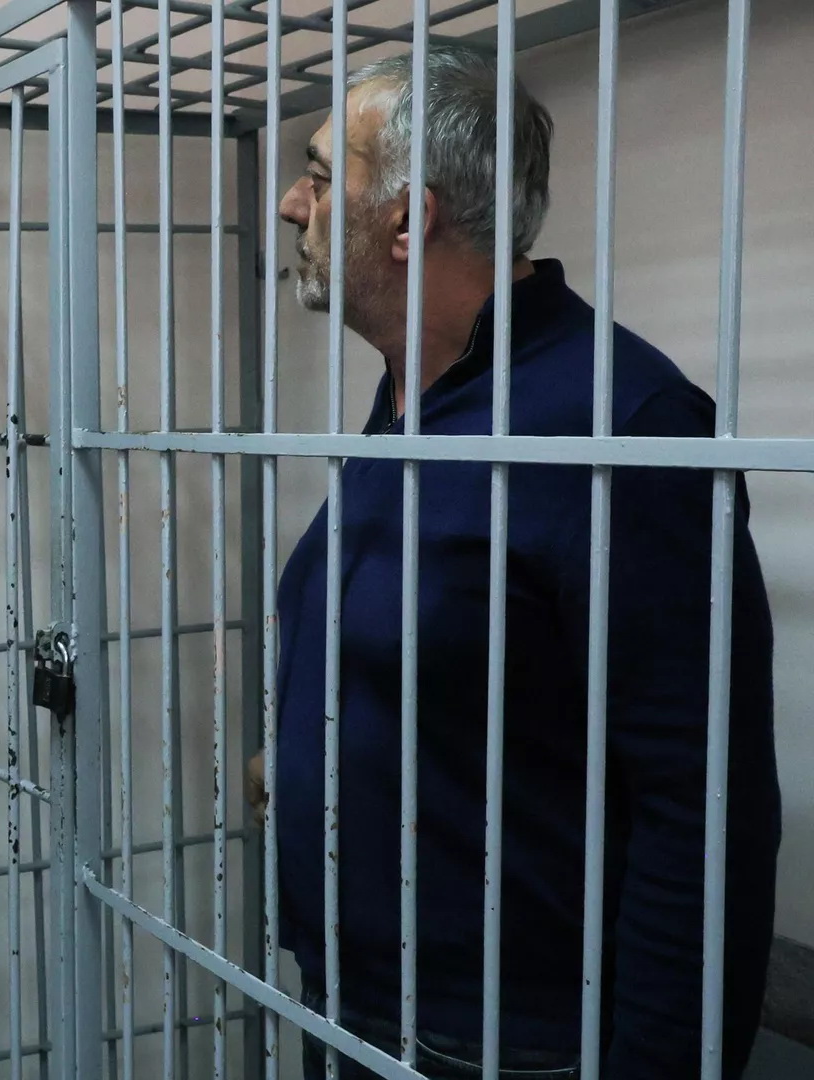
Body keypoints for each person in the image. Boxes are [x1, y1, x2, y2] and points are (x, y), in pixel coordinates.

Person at [263, 45, 779, 1078]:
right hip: (361, 998)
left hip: (502, 1040)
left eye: (319, 174)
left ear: (408, 220)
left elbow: (703, 805)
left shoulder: (620, 423)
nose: (290, 204)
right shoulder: (421, 388)